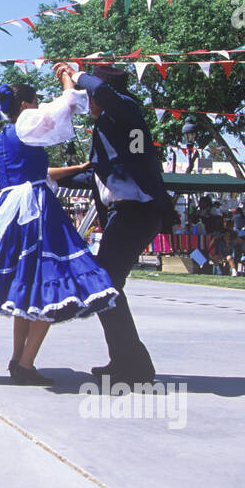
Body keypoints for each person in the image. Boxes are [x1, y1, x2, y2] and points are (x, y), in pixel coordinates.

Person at [0, 81, 119, 386]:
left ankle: (19, 360)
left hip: (13, 207)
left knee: (27, 284)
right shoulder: (28, 122)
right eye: (37, 101)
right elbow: (67, 104)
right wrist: (69, 79)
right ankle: (26, 364)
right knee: (49, 280)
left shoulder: (1, 138)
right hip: (35, 209)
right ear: (26, 106)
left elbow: (35, 172)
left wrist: (75, 168)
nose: (40, 106)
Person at [53, 63, 171, 386]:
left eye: (89, 95)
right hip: (124, 215)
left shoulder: (126, 108)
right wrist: (45, 176)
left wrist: (77, 75)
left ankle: (136, 366)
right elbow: (94, 173)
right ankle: (124, 360)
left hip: (137, 211)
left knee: (104, 285)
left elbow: (105, 93)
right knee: (105, 287)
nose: (86, 101)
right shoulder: (108, 122)